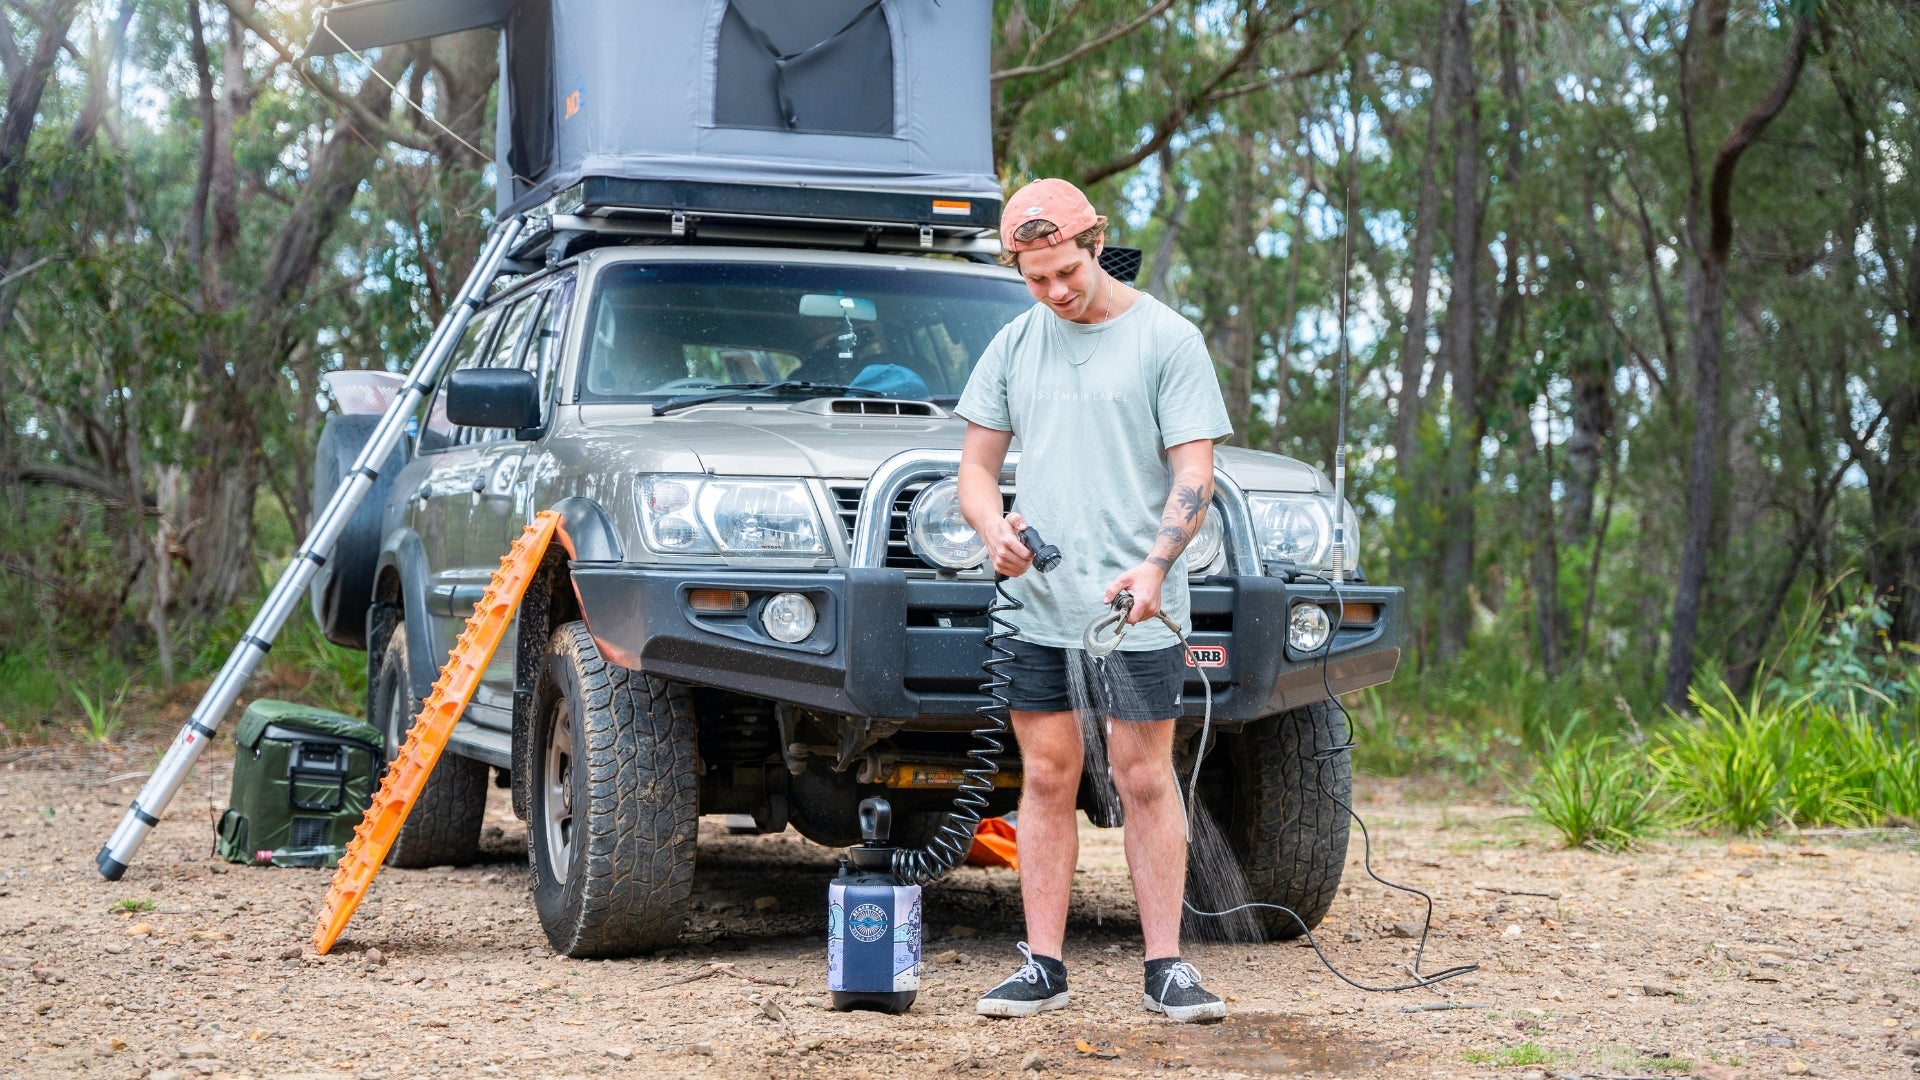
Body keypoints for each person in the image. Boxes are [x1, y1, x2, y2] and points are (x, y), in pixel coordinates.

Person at [954, 178, 1233, 1023]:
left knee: (1143, 777)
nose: (1055, 292)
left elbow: (1196, 474)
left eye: (1066, 271)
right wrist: (991, 526)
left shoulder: (1166, 340)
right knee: (1046, 775)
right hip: (1039, 604)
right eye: (1035, 279)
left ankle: (1167, 968)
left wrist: (1156, 565)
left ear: (1096, 241)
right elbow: (973, 470)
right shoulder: (1014, 344)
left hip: (1135, 605)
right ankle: (1042, 964)